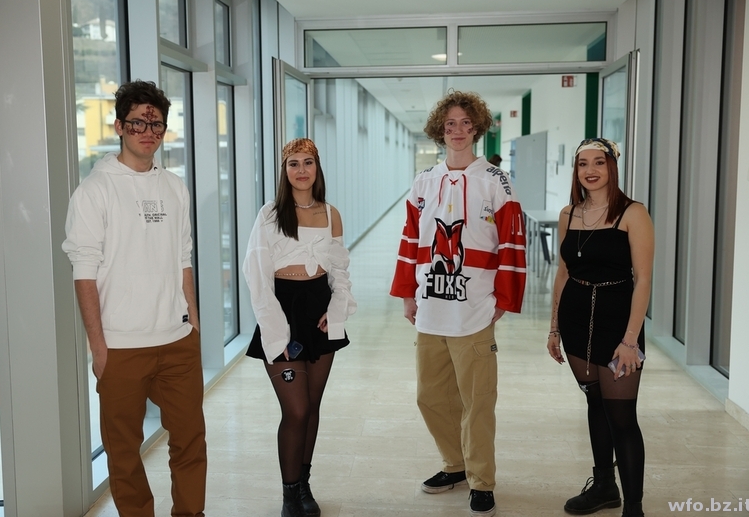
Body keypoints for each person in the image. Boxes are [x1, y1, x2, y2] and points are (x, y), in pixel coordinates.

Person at [63, 80, 206, 517]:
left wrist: (194, 323)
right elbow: (84, 272)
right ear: (119, 126)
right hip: (121, 346)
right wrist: (99, 347)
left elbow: (183, 259)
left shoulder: (175, 188)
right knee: (123, 451)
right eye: (138, 123)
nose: (148, 131)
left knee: (190, 441)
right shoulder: (95, 191)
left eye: (156, 124)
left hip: (177, 341)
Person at [390, 91, 527, 517]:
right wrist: (408, 294)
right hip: (430, 308)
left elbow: (512, 242)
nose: (458, 130)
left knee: (478, 401)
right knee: (430, 397)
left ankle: (482, 480)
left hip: (474, 309)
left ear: (477, 127)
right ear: (440, 130)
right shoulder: (423, 181)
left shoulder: (496, 181)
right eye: (450, 123)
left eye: (466, 122)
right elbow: (410, 240)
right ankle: (456, 465)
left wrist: (504, 298)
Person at [243, 138, 357, 517]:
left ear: (317, 168)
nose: (302, 170)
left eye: (308, 162)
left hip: (319, 312)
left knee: (312, 407)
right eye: (294, 163)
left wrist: (336, 310)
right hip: (282, 311)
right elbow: (256, 274)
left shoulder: (331, 214)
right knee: (296, 409)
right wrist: (277, 330)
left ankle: (304, 484)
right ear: (285, 170)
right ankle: (289, 494)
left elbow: (339, 270)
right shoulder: (270, 214)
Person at [547, 138, 654, 517]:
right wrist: (554, 327)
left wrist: (630, 341)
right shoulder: (569, 214)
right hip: (576, 319)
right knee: (595, 402)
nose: (590, 170)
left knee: (622, 416)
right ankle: (605, 487)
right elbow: (563, 273)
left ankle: (634, 507)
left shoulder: (632, 213)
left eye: (598, 162)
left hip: (617, 323)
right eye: (582, 164)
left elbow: (643, 279)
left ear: (612, 167)